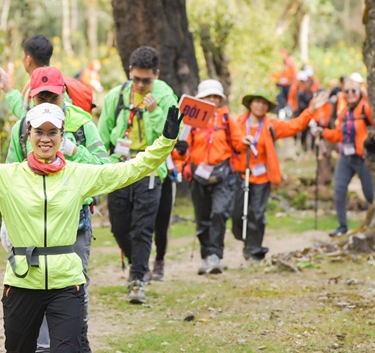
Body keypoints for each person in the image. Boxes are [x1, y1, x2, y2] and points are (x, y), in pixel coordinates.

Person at [0, 98, 182, 353]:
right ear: (29, 134)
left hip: (66, 283)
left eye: (52, 132)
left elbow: (130, 170)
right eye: (39, 132)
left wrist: (165, 141)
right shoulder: (8, 176)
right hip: (22, 282)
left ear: (62, 135)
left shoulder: (78, 174)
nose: (45, 138)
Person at [3, 66, 109, 352]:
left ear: (65, 94)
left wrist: (75, 150)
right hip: (31, 226)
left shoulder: (83, 124)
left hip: (75, 221)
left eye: (54, 97)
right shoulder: (22, 128)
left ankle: (77, 344)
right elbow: (8, 176)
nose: (48, 102)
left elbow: (105, 169)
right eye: (41, 98)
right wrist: (6, 222)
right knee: (33, 290)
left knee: (74, 290)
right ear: (32, 98)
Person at [98, 46, 178, 303]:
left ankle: (136, 280)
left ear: (157, 74)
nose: (142, 85)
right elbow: (102, 135)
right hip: (120, 166)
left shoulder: (166, 97)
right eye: (137, 79)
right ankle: (137, 264)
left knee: (143, 226)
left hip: (150, 166)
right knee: (119, 227)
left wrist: (154, 113)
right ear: (130, 72)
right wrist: (103, 166)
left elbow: (168, 137)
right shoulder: (116, 96)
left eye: (147, 80)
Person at [231, 90, 329, 262]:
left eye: (264, 103)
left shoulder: (271, 126)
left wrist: (311, 110)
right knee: (237, 212)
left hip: (262, 177)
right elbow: (229, 141)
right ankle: (245, 239)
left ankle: (254, 249)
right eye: (257, 102)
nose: (260, 106)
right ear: (250, 104)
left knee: (257, 213)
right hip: (241, 173)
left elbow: (295, 126)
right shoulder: (237, 123)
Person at [175, 79, 243, 275]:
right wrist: (180, 150)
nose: (212, 100)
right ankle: (206, 256)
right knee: (202, 218)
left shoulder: (227, 120)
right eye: (208, 96)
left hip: (223, 175)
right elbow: (182, 151)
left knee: (220, 212)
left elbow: (238, 145)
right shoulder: (192, 121)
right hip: (198, 175)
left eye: (215, 97)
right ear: (200, 99)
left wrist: (245, 142)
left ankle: (216, 256)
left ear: (220, 99)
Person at [315, 76, 374, 237]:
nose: (350, 94)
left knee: (370, 194)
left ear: (359, 91)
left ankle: (373, 224)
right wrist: (324, 132)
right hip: (346, 157)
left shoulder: (366, 109)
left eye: (353, 90)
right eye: (346, 91)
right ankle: (342, 226)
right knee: (339, 189)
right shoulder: (344, 111)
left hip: (363, 157)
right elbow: (338, 135)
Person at [0, 35, 54, 118]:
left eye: (23, 55)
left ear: (28, 60)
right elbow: (24, 112)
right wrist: (7, 88)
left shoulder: (36, 87)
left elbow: (26, 116)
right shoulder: (57, 83)